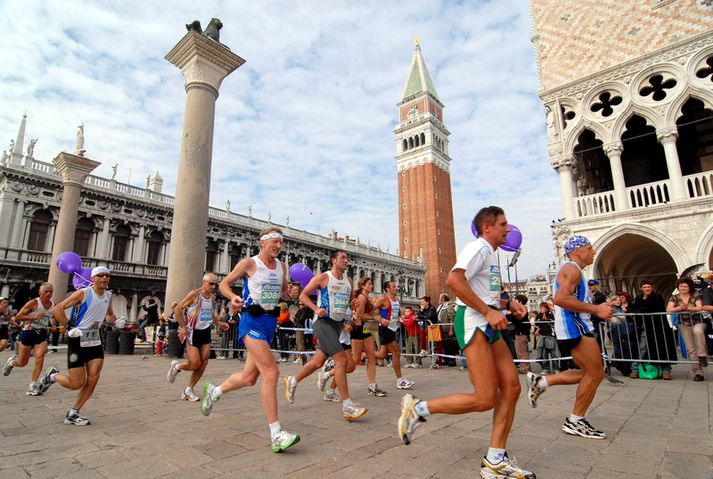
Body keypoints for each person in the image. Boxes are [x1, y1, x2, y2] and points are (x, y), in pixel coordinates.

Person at [398, 206, 535, 479]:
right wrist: (487, 311)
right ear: (487, 228)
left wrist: (509, 303)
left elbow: (485, 293)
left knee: (511, 387)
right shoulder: (479, 248)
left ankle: (495, 459)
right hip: (474, 322)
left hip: (489, 323)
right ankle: (418, 408)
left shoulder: (492, 254)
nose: (508, 229)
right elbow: (453, 280)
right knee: (485, 399)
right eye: (503, 224)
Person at [198, 228, 300, 453]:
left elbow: (282, 292)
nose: (278, 246)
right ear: (262, 243)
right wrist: (233, 296)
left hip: (269, 324)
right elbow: (225, 284)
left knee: (249, 378)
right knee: (271, 373)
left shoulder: (282, 267)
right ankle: (276, 434)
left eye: (281, 243)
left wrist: (289, 294)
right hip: (251, 321)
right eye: (275, 242)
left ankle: (214, 391)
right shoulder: (249, 263)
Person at [526, 235, 614, 440]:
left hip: (576, 326)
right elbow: (560, 299)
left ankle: (541, 382)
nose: (593, 251)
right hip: (574, 327)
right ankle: (575, 421)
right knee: (595, 374)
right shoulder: (572, 269)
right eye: (590, 248)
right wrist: (596, 309)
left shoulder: (574, 270)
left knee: (590, 373)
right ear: (578, 251)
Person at [283, 250, 367, 421]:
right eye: (343, 257)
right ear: (334, 260)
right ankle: (347, 406)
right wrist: (316, 309)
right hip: (322, 323)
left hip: (337, 325)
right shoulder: (323, 278)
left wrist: (353, 303)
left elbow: (350, 302)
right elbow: (303, 295)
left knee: (317, 362)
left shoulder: (349, 281)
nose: (346, 260)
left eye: (347, 257)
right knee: (342, 361)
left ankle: (292, 380)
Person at [37, 267, 125, 425]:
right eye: (100, 276)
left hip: (95, 340)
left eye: (107, 276)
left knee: (93, 378)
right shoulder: (83, 293)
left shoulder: (108, 295)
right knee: (76, 383)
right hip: (77, 339)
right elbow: (57, 309)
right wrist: (69, 327)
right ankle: (52, 376)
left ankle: (73, 413)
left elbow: (109, 314)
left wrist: (116, 321)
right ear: (93, 279)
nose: (104, 278)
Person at [166, 273, 228, 401]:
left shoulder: (212, 298)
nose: (213, 286)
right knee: (195, 363)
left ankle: (188, 390)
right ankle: (177, 367)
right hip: (192, 331)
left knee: (204, 362)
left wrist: (219, 323)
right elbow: (178, 309)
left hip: (205, 331)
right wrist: (183, 327)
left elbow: (209, 314)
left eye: (215, 284)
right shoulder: (194, 294)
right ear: (204, 282)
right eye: (211, 283)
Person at [3, 283, 54, 395]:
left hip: (41, 333)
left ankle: (33, 385)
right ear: (40, 292)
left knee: (40, 357)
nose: (49, 294)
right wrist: (33, 317)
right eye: (46, 291)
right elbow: (18, 317)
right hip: (28, 332)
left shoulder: (52, 304)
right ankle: (12, 362)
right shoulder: (34, 303)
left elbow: (50, 318)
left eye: (51, 291)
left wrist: (52, 324)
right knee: (22, 362)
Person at [630, 279, 677, 380]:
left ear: (652, 287)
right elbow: (633, 309)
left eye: (648, 287)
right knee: (642, 347)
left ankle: (666, 370)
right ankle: (634, 368)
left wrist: (638, 312)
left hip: (658, 327)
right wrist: (635, 312)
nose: (647, 289)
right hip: (643, 327)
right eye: (645, 287)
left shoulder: (657, 297)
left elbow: (650, 308)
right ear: (641, 288)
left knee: (662, 348)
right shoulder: (638, 298)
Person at [374, 281, 414, 390]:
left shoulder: (396, 300)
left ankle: (362, 355)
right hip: (384, 329)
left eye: (396, 286)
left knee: (382, 354)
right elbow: (371, 310)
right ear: (387, 289)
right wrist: (380, 319)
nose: (396, 288)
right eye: (394, 286)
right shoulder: (383, 299)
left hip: (392, 329)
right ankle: (400, 380)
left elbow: (396, 314)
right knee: (396, 351)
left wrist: (400, 317)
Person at [667, 277, 705, 381]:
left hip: (698, 322)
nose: (683, 288)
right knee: (691, 349)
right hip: (684, 324)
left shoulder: (695, 295)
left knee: (698, 331)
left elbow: (699, 307)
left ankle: (702, 355)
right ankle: (698, 372)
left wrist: (687, 308)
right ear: (678, 287)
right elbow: (669, 309)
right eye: (681, 286)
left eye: (685, 286)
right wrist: (679, 308)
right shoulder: (674, 297)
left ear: (689, 287)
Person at [508, 294, 531, 374]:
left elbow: (514, 317)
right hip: (521, 332)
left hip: (521, 332)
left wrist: (508, 314)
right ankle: (525, 367)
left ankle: (525, 368)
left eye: (516, 300)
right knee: (521, 350)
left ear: (520, 301)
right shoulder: (522, 308)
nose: (514, 301)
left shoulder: (521, 308)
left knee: (522, 351)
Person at [534, 302, 559, 373]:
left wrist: (547, 319)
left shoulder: (551, 314)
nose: (541, 309)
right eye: (540, 308)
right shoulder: (539, 315)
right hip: (542, 336)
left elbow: (553, 322)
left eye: (542, 308)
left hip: (550, 336)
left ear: (547, 308)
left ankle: (556, 368)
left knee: (553, 353)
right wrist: (542, 320)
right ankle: (545, 368)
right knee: (544, 354)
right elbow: (537, 323)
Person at [437, 294, 457, 367]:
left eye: (440, 297)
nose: (439, 299)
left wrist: (451, 329)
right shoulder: (441, 307)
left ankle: (452, 360)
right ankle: (446, 359)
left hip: (447, 328)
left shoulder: (448, 306)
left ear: (443, 298)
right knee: (445, 345)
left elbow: (452, 319)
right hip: (441, 328)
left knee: (450, 344)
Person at [417, 296, 438, 361]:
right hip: (427, 327)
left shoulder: (432, 308)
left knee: (435, 345)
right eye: (421, 302)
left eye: (422, 302)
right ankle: (424, 350)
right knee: (422, 333)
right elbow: (419, 316)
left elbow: (428, 317)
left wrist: (421, 315)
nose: (421, 303)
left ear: (427, 302)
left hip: (434, 328)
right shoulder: (423, 308)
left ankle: (437, 361)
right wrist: (421, 310)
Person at [293, 300, 312, 365]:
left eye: (302, 304)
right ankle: (300, 356)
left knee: (300, 342)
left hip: (301, 327)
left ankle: (301, 357)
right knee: (297, 342)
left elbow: (301, 319)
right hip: (297, 327)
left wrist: (294, 317)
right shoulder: (299, 310)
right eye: (299, 304)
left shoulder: (304, 311)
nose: (300, 305)